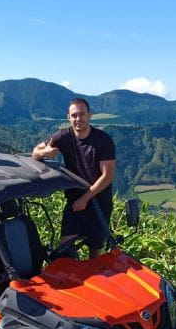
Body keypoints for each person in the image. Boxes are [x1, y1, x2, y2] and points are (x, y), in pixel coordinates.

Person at [31, 97, 116, 257]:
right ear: (68, 117)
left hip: (99, 202)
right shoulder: (62, 137)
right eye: (74, 115)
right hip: (74, 203)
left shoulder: (103, 140)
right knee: (65, 250)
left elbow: (107, 176)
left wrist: (85, 199)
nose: (78, 119)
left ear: (89, 115)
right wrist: (45, 153)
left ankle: (94, 279)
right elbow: (35, 152)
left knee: (95, 250)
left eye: (82, 114)